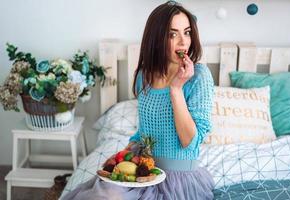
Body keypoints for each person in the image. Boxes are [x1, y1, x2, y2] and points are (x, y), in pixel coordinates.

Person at [62, 1, 214, 199]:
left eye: (187, 32)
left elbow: (190, 142)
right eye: (172, 34)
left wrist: (176, 89)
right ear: (157, 38)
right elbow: (145, 132)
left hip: (179, 180)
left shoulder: (199, 76)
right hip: (142, 170)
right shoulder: (145, 75)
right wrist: (122, 155)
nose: (183, 42)